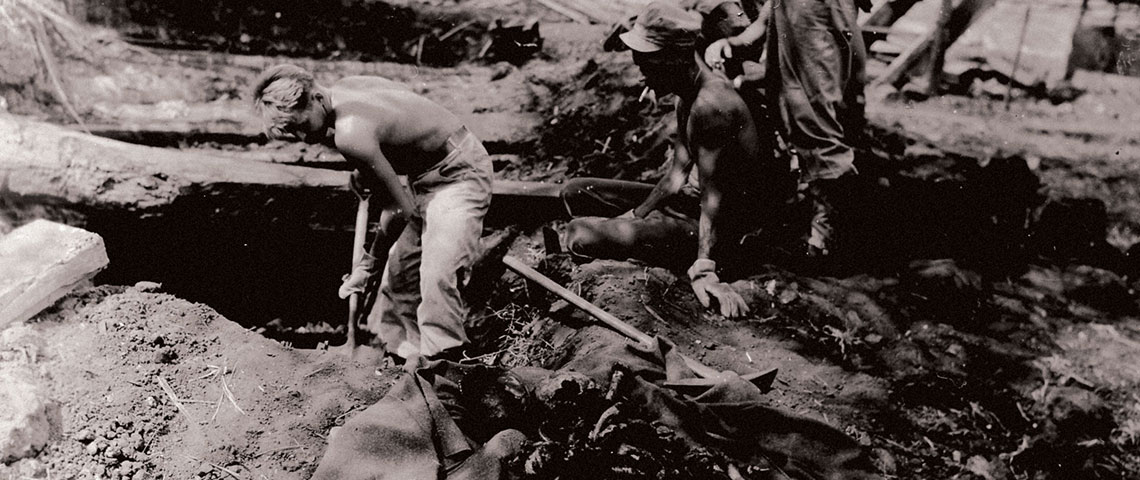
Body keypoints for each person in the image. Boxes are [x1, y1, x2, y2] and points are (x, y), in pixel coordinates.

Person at [251, 64, 492, 361]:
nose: (302, 137)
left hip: (458, 174)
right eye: (292, 132)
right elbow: (398, 124)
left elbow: (400, 209)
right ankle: (405, 357)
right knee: (401, 278)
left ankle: (445, 364)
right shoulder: (349, 87)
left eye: (301, 126)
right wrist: (367, 170)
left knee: (436, 275)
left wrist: (369, 263)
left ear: (314, 98)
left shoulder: (350, 133)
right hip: (426, 173)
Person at [562, 1, 788, 317]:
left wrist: (705, 267)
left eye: (647, 64)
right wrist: (635, 216)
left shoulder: (711, 107)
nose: (641, 72)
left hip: (724, 231)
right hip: (690, 204)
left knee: (580, 235)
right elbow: (675, 177)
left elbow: (714, 199)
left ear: (675, 58)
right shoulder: (688, 94)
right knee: (575, 191)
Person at [704, 0, 868, 256]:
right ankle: (812, 224)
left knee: (814, 120)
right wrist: (733, 44)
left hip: (812, 17)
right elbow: (767, 20)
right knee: (803, 115)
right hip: (801, 15)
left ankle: (824, 239)